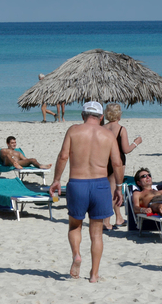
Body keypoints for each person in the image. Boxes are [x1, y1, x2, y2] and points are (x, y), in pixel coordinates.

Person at [49, 102, 123, 283]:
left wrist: (57, 179)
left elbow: (63, 156)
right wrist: (119, 187)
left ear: (83, 115)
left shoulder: (74, 131)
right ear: (101, 117)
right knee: (97, 233)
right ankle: (94, 275)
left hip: (77, 183)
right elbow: (117, 163)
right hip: (100, 184)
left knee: (75, 226)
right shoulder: (108, 135)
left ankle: (76, 255)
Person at [103, 103, 142, 229]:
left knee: (111, 189)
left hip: (105, 160)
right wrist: (136, 143)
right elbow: (126, 149)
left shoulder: (102, 128)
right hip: (118, 161)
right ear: (119, 114)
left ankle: (119, 217)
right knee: (114, 191)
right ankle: (106, 221)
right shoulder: (121, 129)